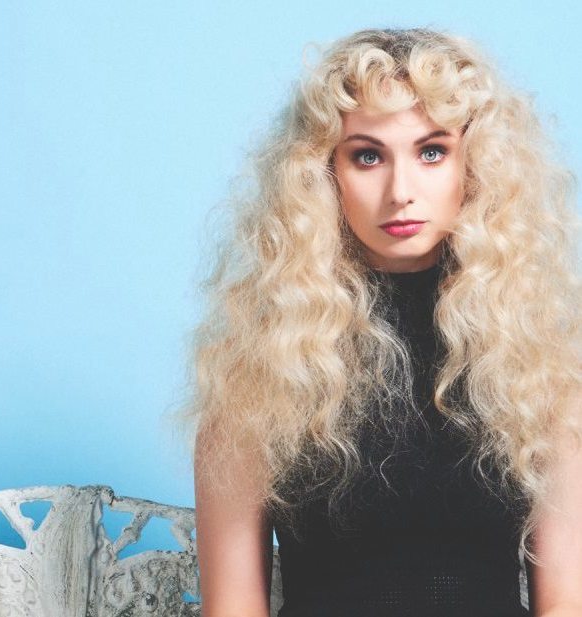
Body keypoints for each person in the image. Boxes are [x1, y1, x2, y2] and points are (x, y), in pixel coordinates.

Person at [172, 27, 582, 617]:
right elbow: (233, 607)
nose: (400, 192)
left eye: (431, 152)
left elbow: (564, 602)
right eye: (368, 156)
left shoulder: (538, 367)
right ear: (322, 173)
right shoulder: (258, 375)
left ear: (475, 165)